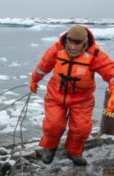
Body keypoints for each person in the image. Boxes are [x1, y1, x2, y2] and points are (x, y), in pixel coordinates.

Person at [30, 25, 114, 166]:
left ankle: (74, 152)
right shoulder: (56, 49)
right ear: (66, 39)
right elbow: (42, 66)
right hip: (56, 95)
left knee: (81, 128)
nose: (73, 47)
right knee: (53, 125)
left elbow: (111, 71)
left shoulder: (95, 54)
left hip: (82, 99)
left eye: (77, 43)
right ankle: (50, 147)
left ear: (85, 42)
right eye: (70, 42)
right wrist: (34, 80)